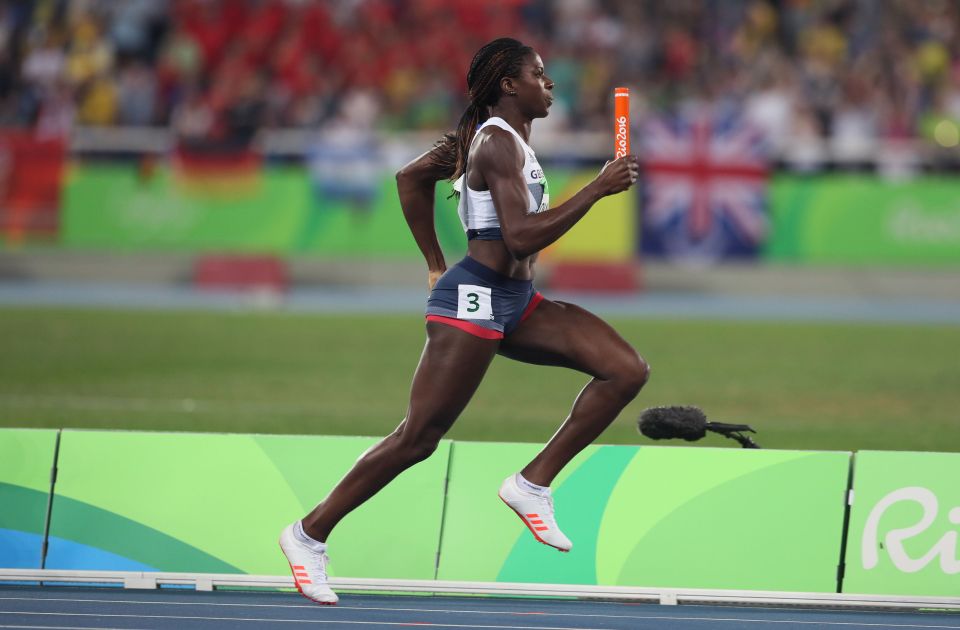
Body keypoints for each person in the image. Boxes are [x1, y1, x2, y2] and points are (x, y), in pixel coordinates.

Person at [279, 37, 648, 605]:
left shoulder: (496, 140)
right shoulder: (496, 146)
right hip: (474, 297)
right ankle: (309, 535)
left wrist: (431, 259)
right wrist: (597, 188)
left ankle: (531, 484)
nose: (549, 84)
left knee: (624, 369)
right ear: (509, 84)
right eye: (539, 75)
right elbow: (520, 235)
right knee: (418, 438)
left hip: (517, 299)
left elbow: (410, 179)